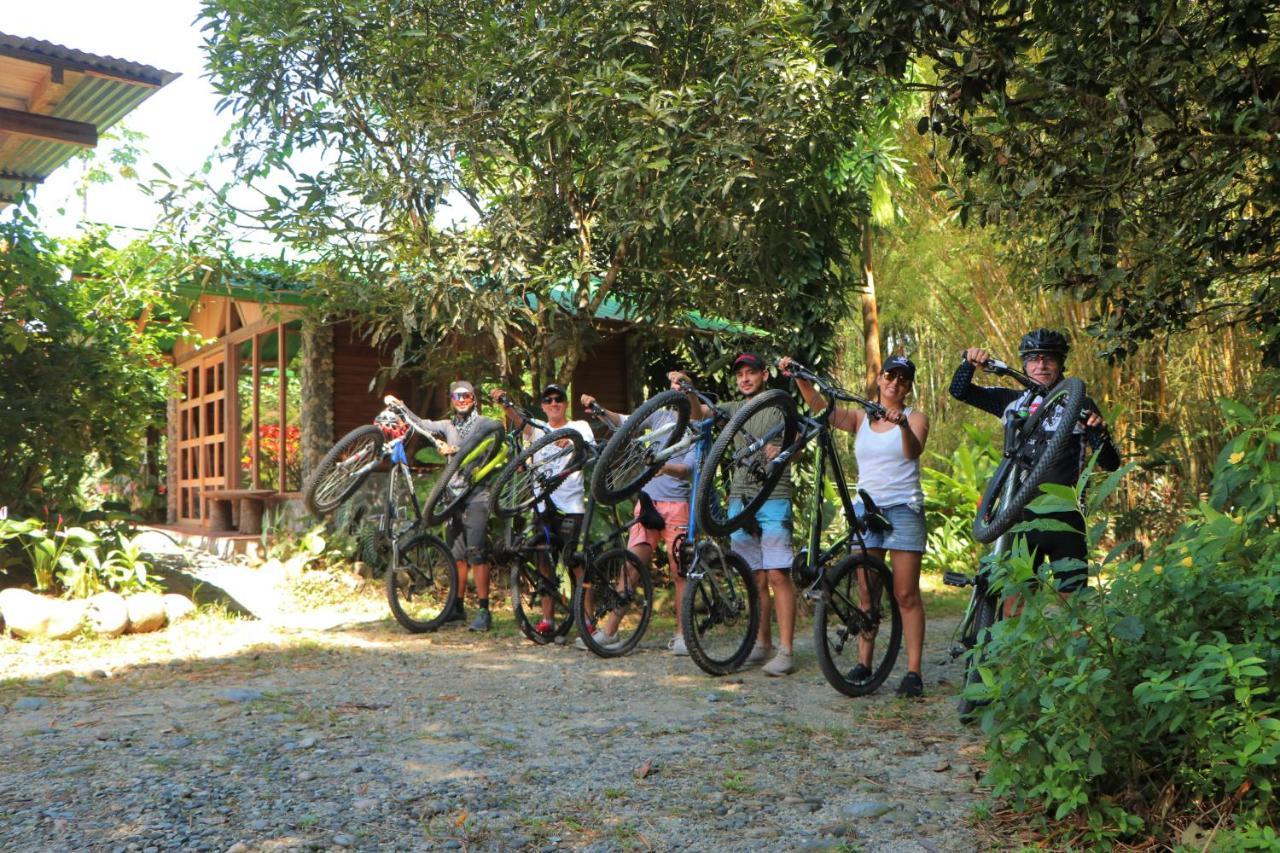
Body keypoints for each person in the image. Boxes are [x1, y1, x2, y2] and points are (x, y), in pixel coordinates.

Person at [780, 354, 931, 698]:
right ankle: (864, 663)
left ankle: (913, 671)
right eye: (890, 376)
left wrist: (903, 425)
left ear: (908, 387)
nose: (895, 383)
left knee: (905, 593)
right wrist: (799, 378)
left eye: (903, 379)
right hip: (867, 508)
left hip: (904, 509)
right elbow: (825, 411)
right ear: (879, 380)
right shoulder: (862, 417)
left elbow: (912, 452)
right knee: (867, 592)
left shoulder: (916, 418)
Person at [951, 329, 1120, 604]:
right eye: (1033, 359)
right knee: (1016, 604)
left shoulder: (1081, 402)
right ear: (1024, 364)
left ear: (1061, 363)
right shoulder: (1011, 401)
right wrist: (969, 363)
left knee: (1074, 606)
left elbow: (1110, 463)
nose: (1041, 365)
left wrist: (1099, 435)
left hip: (1065, 516)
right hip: (1018, 516)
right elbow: (960, 391)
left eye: (1049, 359)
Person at [676, 353, 797, 676]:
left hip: (773, 495)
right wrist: (688, 388)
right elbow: (698, 412)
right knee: (753, 576)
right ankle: (763, 644)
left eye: (751, 373)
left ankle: (786, 650)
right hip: (740, 498)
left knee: (777, 575)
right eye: (740, 374)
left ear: (764, 375)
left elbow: (797, 437)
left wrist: (783, 447)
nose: (745, 378)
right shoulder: (731, 408)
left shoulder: (779, 404)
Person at [581, 375, 696, 654]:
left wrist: (662, 466)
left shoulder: (696, 427)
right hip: (648, 502)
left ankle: (682, 635)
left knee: (679, 571)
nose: (676, 391)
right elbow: (624, 422)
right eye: (673, 386)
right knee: (631, 566)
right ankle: (609, 632)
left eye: (683, 386)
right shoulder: (659, 415)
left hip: (677, 504)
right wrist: (599, 408)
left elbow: (688, 469)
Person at [490, 383, 595, 637]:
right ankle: (548, 619)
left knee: (577, 564)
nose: (553, 403)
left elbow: (589, 450)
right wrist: (503, 402)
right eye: (548, 400)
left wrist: (569, 442)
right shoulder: (539, 429)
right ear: (543, 405)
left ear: (566, 403)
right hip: (542, 505)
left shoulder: (579, 427)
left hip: (571, 507)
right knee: (544, 563)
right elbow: (518, 419)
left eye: (558, 399)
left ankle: (588, 622)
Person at [417, 380, 501, 632]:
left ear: (473, 399)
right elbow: (422, 423)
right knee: (456, 555)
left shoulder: (483, 423)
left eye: (466, 395)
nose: (461, 399)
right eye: (456, 396)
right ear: (452, 400)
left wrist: (457, 449)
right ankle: (457, 607)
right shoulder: (448, 425)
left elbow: (497, 430)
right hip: (451, 497)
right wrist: (399, 407)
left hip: (477, 494)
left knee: (476, 552)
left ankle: (484, 611)